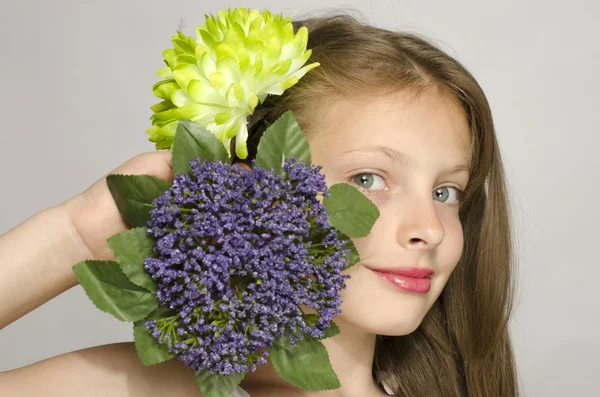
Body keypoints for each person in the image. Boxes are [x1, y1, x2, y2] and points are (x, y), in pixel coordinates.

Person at [0, 11, 519, 397]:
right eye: (368, 178)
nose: (428, 228)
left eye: (445, 192)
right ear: (253, 190)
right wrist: (77, 235)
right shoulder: (155, 391)